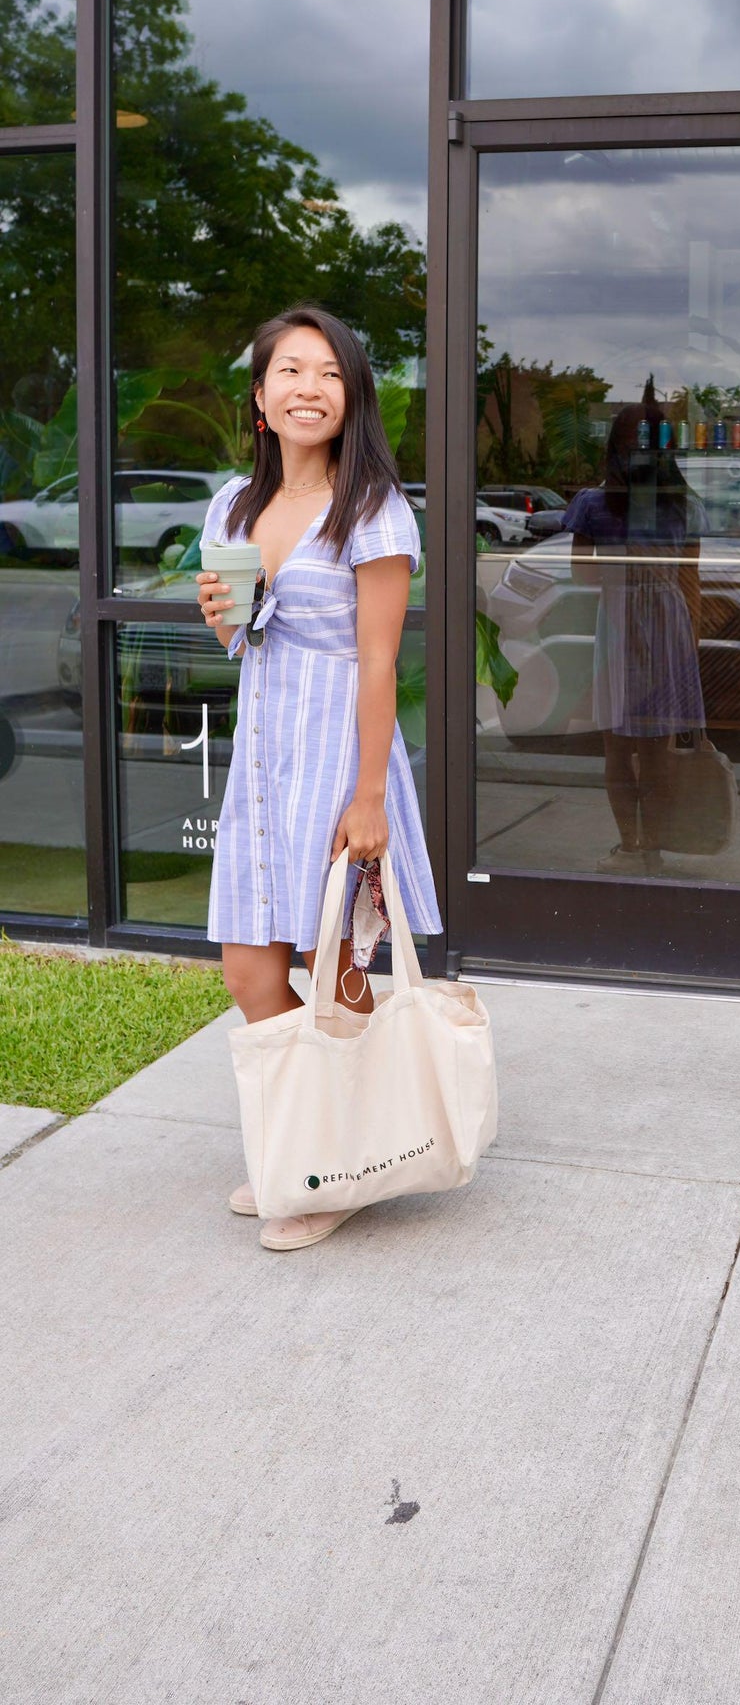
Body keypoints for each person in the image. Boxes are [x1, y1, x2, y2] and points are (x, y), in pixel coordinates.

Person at [194, 305, 441, 1251]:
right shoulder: (232, 504)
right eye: (289, 371)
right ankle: (321, 1145)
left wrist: (369, 796)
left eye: (329, 373)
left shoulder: (372, 507)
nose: (309, 387)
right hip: (262, 758)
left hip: (341, 757)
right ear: (260, 397)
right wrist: (222, 612)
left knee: (335, 980)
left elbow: (378, 663)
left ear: (352, 396)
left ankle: (331, 1173)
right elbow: (238, 640)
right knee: (250, 969)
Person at [565, 402, 706, 874]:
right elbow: (690, 581)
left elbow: (582, 575)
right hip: (657, 619)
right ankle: (646, 849)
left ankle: (636, 847)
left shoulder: (597, 502)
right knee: (645, 748)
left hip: (631, 617)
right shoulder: (679, 501)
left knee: (628, 748)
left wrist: (624, 573)